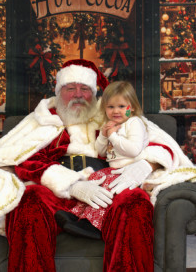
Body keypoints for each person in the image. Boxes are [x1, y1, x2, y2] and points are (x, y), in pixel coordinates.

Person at [0, 59, 196, 272]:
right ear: (58, 91)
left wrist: (145, 163)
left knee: (135, 202)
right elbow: (17, 157)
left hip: (109, 190)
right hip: (57, 195)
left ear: (95, 92)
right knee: (29, 199)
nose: (78, 95)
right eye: (70, 88)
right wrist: (71, 184)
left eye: (84, 89)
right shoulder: (41, 120)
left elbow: (161, 143)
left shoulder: (114, 112)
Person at [55, 80, 151, 239]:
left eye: (122, 107)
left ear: (131, 107)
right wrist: (104, 135)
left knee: (106, 189)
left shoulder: (134, 123)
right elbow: (100, 151)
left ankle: (93, 226)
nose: (116, 111)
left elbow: (134, 150)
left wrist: (113, 136)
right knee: (94, 179)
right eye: (110, 107)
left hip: (128, 171)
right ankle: (78, 216)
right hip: (113, 170)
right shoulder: (110, 124)